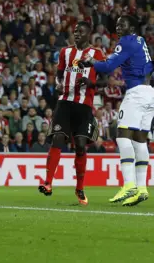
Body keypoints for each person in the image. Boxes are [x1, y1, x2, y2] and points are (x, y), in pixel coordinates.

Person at [79, 16, 154, 206]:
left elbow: (108, 65)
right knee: (139, 139)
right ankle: (142, 189)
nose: (119, 27)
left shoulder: (126, 41)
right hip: (151, 93)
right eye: (117, 23)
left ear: (132, 26)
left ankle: (128, 184)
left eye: (123, 24)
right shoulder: (140, 40)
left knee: (121, 135)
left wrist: (91, 62)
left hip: (136, 93)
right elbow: (149, 65)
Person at [40, 21, 105, 206]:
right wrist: (59, 84)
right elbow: (59, 74)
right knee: (58, 138)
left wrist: (90, 83)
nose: (76, 34)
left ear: (89, 34)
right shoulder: (65, 52)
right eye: (75, 31)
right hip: (65, 103)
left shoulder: (97, 54)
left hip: (84, 106)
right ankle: (48, 182)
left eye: (80, 32)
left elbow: (105, 80)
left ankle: (80, 187)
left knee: (81, 145)